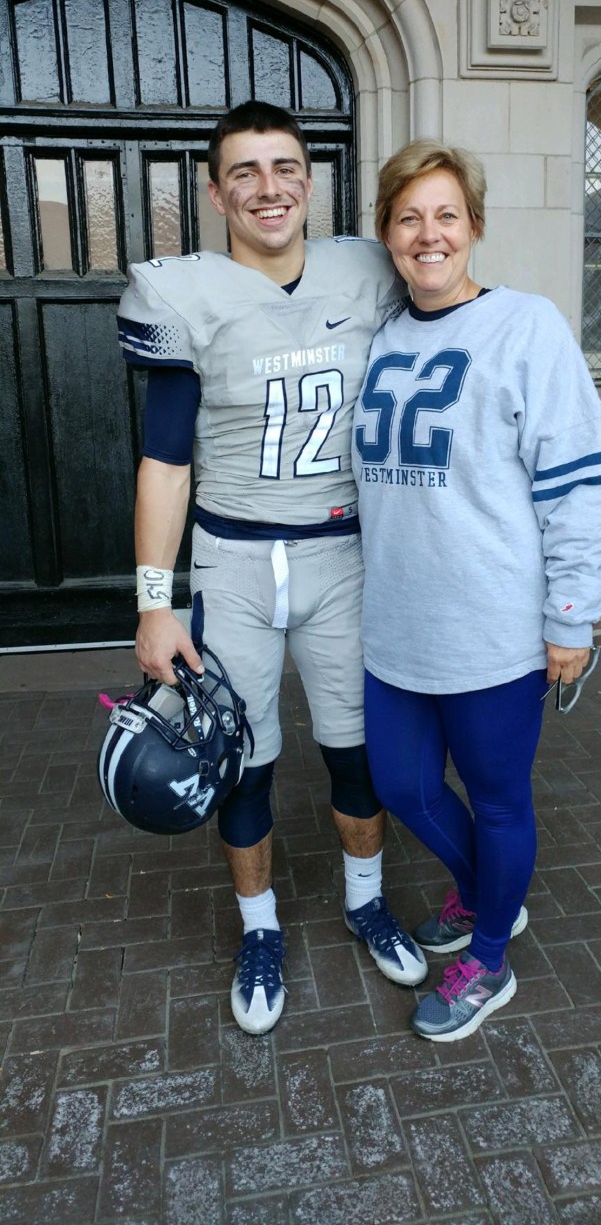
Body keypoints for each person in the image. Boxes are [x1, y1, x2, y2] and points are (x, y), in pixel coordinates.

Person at [116, 101, 427, 1036]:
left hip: (342, 552)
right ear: (215, 193)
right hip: (236, 559)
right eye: (244, 171)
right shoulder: (186, 293)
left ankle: (365, 899)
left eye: (284, 166)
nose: (268, 187)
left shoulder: (366, 268)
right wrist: (153, 602)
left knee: (354, 752)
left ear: (309, 179)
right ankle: (260, 926)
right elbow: (166, 461)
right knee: (242, 762)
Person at [352, 139, 601, 1042]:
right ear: (387, 233)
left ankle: (491, 962)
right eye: (408, 218)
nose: (428, 234)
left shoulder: (526, 326)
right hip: (397, 626)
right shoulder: (382, 335)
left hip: (496, 629)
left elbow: (581, 479)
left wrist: (572, 615)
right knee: (402, 783)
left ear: (473, 226)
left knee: (500, 797)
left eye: (446, 215)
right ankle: (486, 896)